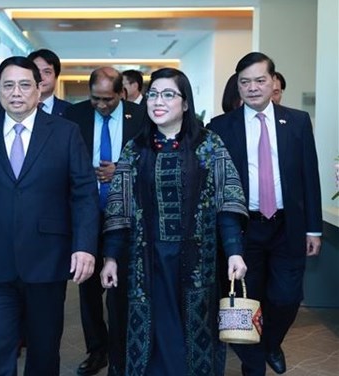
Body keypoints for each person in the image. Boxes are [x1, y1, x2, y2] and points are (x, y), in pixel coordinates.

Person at [0, 56, 99, 376]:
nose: (16, 92)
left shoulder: (65, 132)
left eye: (24, 85)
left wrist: (85, 246)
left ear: (38, 89)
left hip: (47, 260)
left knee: (44, 350)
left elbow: (84, 195)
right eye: (8, 85)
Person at [100, 67, 249, 376]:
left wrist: (234, 250)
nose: (158, 101)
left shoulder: (209, 145)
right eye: (153, 94)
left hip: (196, 263)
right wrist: (111, 257)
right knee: (151, 337)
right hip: (145, 263)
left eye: (169, 94)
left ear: (185, 103)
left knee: (192, 339)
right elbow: (119, 208)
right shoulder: (135, 150)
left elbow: (228, 200)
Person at [208, 52, 322, 376]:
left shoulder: (297, 121)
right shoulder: (220, 127)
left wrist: (313, 229)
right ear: (238, 86)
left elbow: (309, 177)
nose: (253, 87)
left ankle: (272, 342)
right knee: (248, 300)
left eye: (260, 80)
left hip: (288, 227)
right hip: (245, 231)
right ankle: (253, 366)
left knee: (286, 298)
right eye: (245, 82)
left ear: (274, 82)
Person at [64, 66, 144, 376]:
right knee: (88, 289)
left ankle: (121, 354)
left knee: (121, 288)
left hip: (126, 218)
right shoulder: (75, 115)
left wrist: (122, 170)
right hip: (87, 216)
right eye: (95, 99)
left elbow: (150, 161)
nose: (101, 106)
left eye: (108, 100)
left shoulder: (140, 117)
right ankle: (96, 350)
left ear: (122, 93)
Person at [27, 48, 71, 116]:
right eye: (36, 71)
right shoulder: (15, 107)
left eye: (47, 72)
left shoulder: (70, 110)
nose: (41, 78)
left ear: (56, 77)